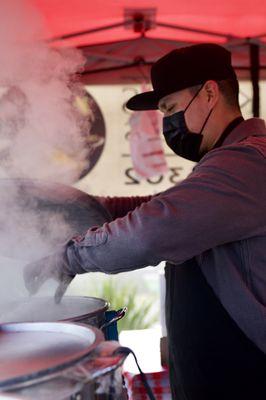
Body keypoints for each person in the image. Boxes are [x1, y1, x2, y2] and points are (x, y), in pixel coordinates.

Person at [24, 43, 266, 400]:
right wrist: (81, 205)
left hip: (247, 375)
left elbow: (150, 231)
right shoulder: (227, 166)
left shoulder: (247, 163)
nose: (166, 123)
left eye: (169, 108)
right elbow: (160, 207)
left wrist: (68, 257)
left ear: (210, 92)